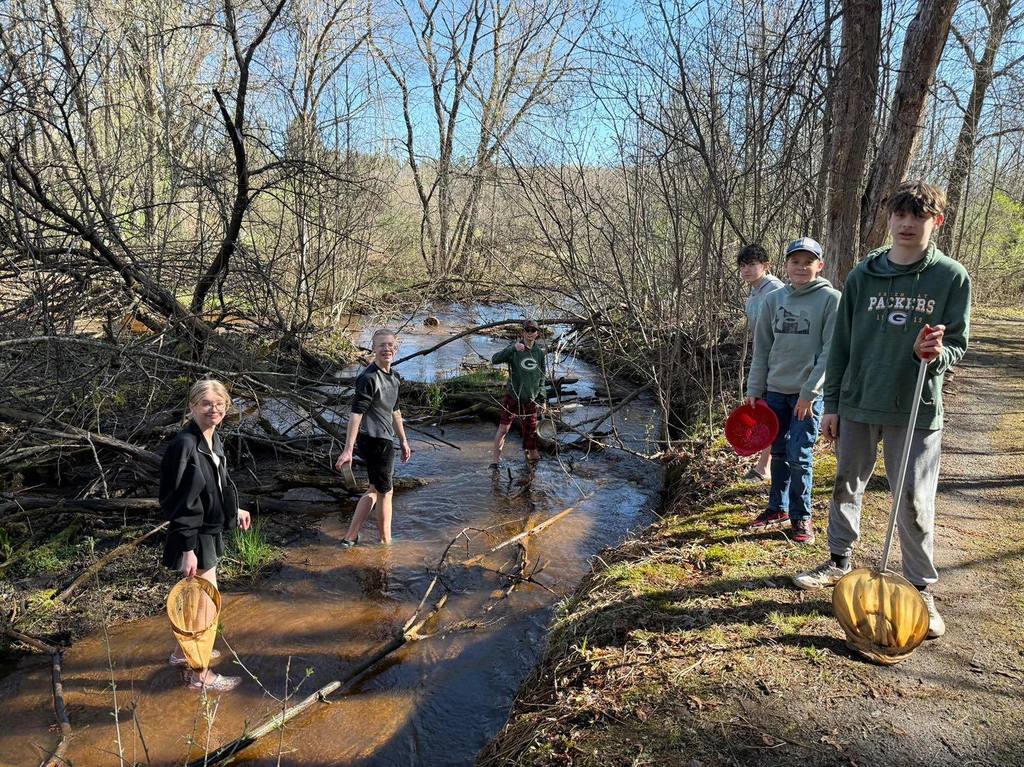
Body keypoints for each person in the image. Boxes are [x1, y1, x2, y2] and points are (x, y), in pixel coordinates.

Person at [793, 181, 971, 640]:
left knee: (913, 499)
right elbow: (841, 346)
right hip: (857, 400)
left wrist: (934, 353)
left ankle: (919, 588)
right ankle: (838, 560)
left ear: (937, 222)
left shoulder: (951, 277)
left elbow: (958, 344)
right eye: (901, 215)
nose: (908, 224)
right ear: (889, 219)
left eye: (920, 216)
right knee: (846, 484)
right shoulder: (862, 276)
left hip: (915, 405)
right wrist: (831, 404)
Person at [745, 237, 840, 544]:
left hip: (806, 396)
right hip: (774, 391)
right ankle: (778, 508)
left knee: (800, 455)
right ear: (785, 265)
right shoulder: (773, 300)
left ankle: (801, 517)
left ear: (819, 265)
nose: (801, 267)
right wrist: (754, 389)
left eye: (808, 262)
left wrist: (809, 393)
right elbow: (762, 349)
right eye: (795, 262)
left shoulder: (830, 299)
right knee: (779, 451)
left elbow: (830, 352)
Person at [160, 379, 250, 692]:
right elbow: (181, 502)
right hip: (194, 537)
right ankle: (201, 677)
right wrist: (188, 549)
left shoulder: (211, 439)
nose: (214, 409)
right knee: (204, 606)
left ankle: (178, 654)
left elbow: (219, 484)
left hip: (209, 532)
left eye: (219, 403)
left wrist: (235, 510)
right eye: (206, 404)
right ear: (192, 407)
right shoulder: (185, 445)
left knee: (201, 602)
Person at [335, 328, 411, 546]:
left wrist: (404, 440)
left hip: (386, 440)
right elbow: (356, 414)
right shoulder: (368, 378)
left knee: (375, 489)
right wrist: (348, 449)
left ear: (395, 349)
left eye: (390, 345)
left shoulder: (394, 377)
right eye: (381, 345)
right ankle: (385, 541)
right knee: (386, 492)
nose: (386, 349)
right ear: (373, 348)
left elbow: (395, 411)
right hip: (375, 441)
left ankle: (351, 537)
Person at [738, 243, 784, 481]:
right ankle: (765, 464)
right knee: (765, 409)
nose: (746, 269)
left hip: (777, 361)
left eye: (752, 264)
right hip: (761, 359)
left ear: (766, 266)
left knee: (771, 412)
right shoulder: (754, 293)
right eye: (743, 265)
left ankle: (764, 467)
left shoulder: (775, 291)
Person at [491, 320, 548, 467]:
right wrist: (511, 349)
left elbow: (542, 377)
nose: (530, 333)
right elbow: (495, 360)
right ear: (522, 332)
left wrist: (543, 399)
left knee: (531, 432)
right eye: (527, 330)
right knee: (504, 428)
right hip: (513, 397)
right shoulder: (515, 349)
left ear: (537, 333)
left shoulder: (539, 354)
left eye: (533, 330)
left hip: (531, 399)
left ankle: (531, 462)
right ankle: (495, 462)